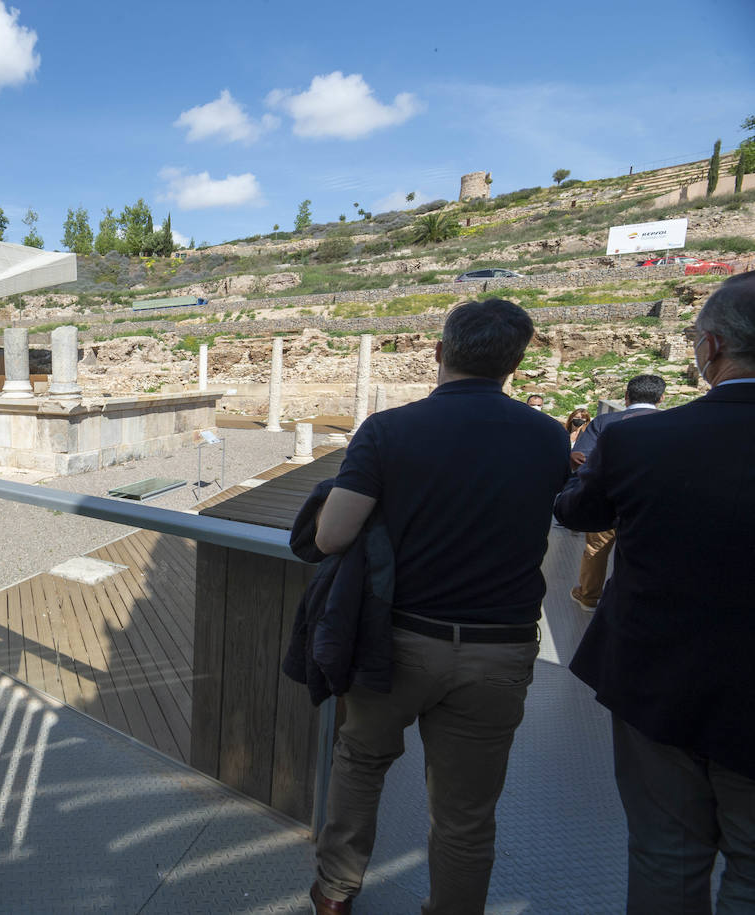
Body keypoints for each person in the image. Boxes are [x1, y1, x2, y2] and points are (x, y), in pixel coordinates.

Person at [308, 299, 570, 915]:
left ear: (439, 353)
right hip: (499, 650)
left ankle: (335, 893)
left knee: (361, 764)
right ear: (515, 362)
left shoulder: (388, 430)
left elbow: (331, 538)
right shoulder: (547, 435)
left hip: (395, 643)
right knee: (466, 813)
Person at [555, 273, 755, 912]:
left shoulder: (640, 438)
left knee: (667, 854)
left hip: (656, 680)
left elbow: (581, 514)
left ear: (713, 346)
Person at [566, 374, 664, 612]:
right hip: (652, 504)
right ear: (661, 398)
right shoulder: (675, 422)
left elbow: (581, 457)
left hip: (608, 499)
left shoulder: (604, 422)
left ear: (627, 396)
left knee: (596, 549)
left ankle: (588, 596)